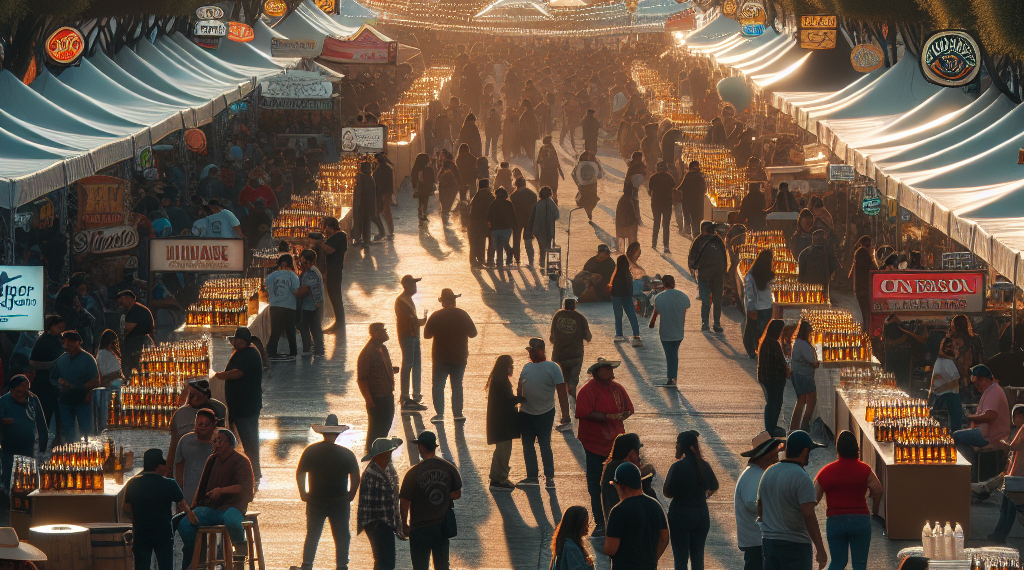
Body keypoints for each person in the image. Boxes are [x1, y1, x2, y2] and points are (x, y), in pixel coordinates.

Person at [178, 429, 255, 569]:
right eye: (215, 441)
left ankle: (239, 551)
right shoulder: (212, 459)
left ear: (229, 444)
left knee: (231, 520)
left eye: (220, 440)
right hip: (212, 508)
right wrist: (192, 508)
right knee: (185, 524)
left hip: (233, 506)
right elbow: (202, 486)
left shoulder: (241, 461)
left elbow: (245, 488)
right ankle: (194, 557)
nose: (216, 444)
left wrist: (222, 491)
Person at [576, 358, 634, 537]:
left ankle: (619, 520)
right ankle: (601, 522)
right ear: (596, 372)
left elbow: (629, 409)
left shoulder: (617, 388)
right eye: (605, 369)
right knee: (596, 486)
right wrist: (608, 416)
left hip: (616, 444)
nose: (609, 371)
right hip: (594, 444)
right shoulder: (588, 390)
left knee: (620, 484)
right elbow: (583, 412)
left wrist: (621, 415)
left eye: (610, 368)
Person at [297, 414, 361, 570]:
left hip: (315, 500)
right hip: (339, 500)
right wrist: (350, 495)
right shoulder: (347, 454)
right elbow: (356, 476)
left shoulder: (311, 451)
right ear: (337, 434)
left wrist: (303, 493)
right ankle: (341, 564)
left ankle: (307, 564)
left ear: (323, 433)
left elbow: (300, 473)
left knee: (313, 534)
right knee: (342, 535)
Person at [758, 430, 828, 570]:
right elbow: (808, 514)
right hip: (795, 545)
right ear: (804, 452)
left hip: (769, 541)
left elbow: (760, 507)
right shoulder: (802, 478)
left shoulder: (768, 472)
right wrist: (820, 549)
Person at [814, 431, 883, 570]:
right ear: (856, 448)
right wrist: (874, 509)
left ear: (838, 449)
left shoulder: (826, 471)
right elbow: (878, 490)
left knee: (838, 563)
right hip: (860, 520)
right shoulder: (865, 469)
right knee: (859, 564)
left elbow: (814, 497)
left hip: (835, 520)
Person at [400, 430, 463, 570]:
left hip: (419, 528)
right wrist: (441, 496)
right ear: (434, 447)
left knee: (420, 566)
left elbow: (404, 501)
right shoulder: (449, 468)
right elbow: (457, 493)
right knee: (442, 566)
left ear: (421, 447)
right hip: (441, 526)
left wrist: (404, 524)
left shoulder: (414, 472)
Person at [123, 449, 195, 570]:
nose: (166, 468)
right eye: (164, 465)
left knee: (141, 566)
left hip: (141, 533)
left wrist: (137, 517)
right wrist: (191, 516)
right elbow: (183, 505)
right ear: (158, 466)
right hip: (163, 533)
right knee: (165, 565)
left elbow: (126, 509)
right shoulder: (170, 483)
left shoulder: (132, 483)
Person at [518, 338, 572, 487]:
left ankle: (549, 476)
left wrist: (565, 415)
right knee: (527, 445)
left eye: (536, 350)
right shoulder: (526, 367)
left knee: (544, 444)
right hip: (526, 413)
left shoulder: (553, 367)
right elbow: (519, 390)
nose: (533, 353)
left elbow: (562, 392)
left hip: (545, 414)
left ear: (543, 351)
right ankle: (532, 476)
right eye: (531, 351)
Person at [212, 327, 264, 483]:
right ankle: (252, 470)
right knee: (248, 440)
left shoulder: (248, 354)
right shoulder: (246, 352)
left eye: (234, 340)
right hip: (242, 405)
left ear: (241, 341)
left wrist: (220, 376)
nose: (233, 343)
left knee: (249, 441)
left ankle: (254, 471)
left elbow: (238, 372)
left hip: (245, 406)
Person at [663, 430, 719, 570]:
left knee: (681, 560)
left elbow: (667, 492)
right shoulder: (703, 465)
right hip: (701, 515)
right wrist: (705, 495)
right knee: (698, 559)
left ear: (681, 446)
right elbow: (714, 485)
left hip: (680, 515)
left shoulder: (677, 467)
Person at [423, 288, 477, 423]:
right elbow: (473, 333)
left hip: (440, 358)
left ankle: (440, 414)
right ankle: (458, 414)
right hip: (459, 357)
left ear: (442, 302)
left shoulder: (436, 315)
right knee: (457, 385)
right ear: (454, 301)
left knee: (438, 386)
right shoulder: (462, 314)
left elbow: (427, 335)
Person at [604, 462, 670, 569]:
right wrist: (652, 560)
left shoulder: (618, 511)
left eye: (615, 484)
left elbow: (610, 549)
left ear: (622, 486)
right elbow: (664, 538)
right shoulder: (655, 506)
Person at [735, 431, 785, 570]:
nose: (777, 455)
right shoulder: (753, 476)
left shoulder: (756, 473)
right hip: (756, 544)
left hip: (757, 543)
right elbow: (752, 504)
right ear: (765, 454)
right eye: (774, 451)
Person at [359, 436, 405, 570]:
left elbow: (393, 500)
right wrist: (396, 525)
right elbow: (385, 505)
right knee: (385, 563)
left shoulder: (386, 469)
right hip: (378, 524)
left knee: (384, 562)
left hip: (381, 523)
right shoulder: (373, 474)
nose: (390, 455)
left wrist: (397, 524)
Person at [953, 364, 1010, 465]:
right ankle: (972, 463)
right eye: (975, 383)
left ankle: (972, 466)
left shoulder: (994, 392)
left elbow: (990, 416)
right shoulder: (990, 391)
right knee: (960, 434)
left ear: (986, 379)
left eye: (979, 382)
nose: (976, 385)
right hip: (986, 433)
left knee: (956, 436)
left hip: (992, 436)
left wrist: (969, 417)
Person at [0, 376, 47, 494]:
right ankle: (8, 499)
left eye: (21, 392)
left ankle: (25, 501)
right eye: (15, 392)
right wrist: (2, 421)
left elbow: (41, 422)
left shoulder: (33, 400)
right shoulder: (4, 401)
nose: (18, 395)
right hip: (9, 446)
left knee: (26, 479)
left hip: (27, 446)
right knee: (9, 476)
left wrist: (43, 444)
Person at [167, 379, 226, 470]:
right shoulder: (180, 414)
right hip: (186, 464)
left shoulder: (218, 409)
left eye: (193, 395)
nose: (189, 398)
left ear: (205, 396)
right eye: (188, 394)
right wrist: (169, 469)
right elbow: (174, 445)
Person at [50, 330, 99, 442]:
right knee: (68, 433)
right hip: (65, 401)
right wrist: (60, 384)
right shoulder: (62, 359)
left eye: (70, 343)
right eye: (65, 344)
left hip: (83, 401)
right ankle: (71, 454)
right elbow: (53, 377)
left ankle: (87, 454)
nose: (67, 346)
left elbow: (95, 381)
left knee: (87, 433)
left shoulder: (88, 359)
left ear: (78, 342)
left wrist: (80, 388)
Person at [357, 323, 398, 455]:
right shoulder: (367, 353)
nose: (386, 332)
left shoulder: (382, 348)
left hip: (387, 395)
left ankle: (380, 452)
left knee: (385, 427)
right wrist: (369, 400)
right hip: (376, 398)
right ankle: (372, 453)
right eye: (382, 331)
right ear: (375, 334)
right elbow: (362, 379)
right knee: (375, 429)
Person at [486, 355, 524, 492]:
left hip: (500, 424)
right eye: (510, 365)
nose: (512, 368)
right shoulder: (502, 381)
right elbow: (508, 401)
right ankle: (499, 479)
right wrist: (521, 398)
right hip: (503, 424)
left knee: (501, 451)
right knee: (503, 452)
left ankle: (497, 476)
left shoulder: (499, 380)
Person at [600, 433, 657, 521]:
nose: (640, 458)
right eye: (638, 452)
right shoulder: (621, 469)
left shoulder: (612, 467)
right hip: (626, 526)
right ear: (632, 453)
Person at [988, 404, 1024, 542]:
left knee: (1008, 506)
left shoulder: (1023, 428)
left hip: (1017, 474)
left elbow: (1012, 446)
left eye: (1015, 417)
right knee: (1010, 506)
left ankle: (1000, 535)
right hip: (1018, 474)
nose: (1014, 420)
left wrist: (1002, 442)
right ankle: (999, 534)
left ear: (1020, 416)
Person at [649, 274, 690, 387]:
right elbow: (684, 311)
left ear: (662, 284)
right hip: (678, 330)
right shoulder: (683, 296)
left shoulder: (659, 297)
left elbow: (656, 312)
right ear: (674, 283)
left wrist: (652, 323)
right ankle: (673, 377)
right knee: (674, 354)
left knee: (669, 355)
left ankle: (671, 378)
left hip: (666, 331)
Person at [395, 275, 428, 413]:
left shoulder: (407, 299)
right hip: (407, 336)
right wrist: (421, 321)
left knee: (415, 364)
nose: (415, 287)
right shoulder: (401, 301)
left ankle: (415, 395)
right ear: (406, 286)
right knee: (408, 364)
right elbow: (409, 320)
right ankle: (406, 397)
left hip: (413, 335)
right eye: (413, 285)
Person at [688, 221, 728, 333]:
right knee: (707, 299)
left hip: (715, 274)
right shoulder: (701, 240)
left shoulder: (715, 240)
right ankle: (706, 322)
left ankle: (715, 323)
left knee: (715, 300)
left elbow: (692, 257)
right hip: (707, 274)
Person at [549, 298, 592, 399]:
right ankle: (572, 385)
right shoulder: (580, 318)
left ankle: (563, 392)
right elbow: (588, 337)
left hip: (559, 354)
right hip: (575, 354)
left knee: (562, 377)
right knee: (573, 376)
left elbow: (552, 336)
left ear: (564, 305)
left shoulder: (557, 315)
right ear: (575, 306)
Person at [173, 408, 216, 509]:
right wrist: (180, 498)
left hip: (213, 501)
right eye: (199, 424)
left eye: (205, 425)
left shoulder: (221, 443)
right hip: (188, 500)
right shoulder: (185, 441)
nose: (202, 428)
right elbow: (179, 468)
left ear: (214, 425)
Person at [30, 314, 66, 429]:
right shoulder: (43, 340)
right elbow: (33, 362)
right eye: (58, 327)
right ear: (51, 326)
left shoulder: (58, 339)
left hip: (57, 384)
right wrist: (53, 364)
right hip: (44, 384)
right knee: (45, 415)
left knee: (60, 414)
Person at [314, 216, 348, 332]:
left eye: (326, 228)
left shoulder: (339, 236)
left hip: (335, 270)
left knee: (335, 295)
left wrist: (321, 243)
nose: (325, 231)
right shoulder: (338, 236)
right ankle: (338, 321)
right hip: (332, 269)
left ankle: (339, 322)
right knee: (333, 295)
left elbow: (329, 250)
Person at [265, 254, 300, 362]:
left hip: (275, 306)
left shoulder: (271, 276)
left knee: (276, 330)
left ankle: (271, 352)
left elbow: (267, 288)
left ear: (282, 264)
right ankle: (292, 353)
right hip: (289, 306)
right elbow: (296, 291)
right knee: (290, 330)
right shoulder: (294, 276)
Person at [758, 320, 789, 436]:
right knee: (775, 402)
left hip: (766, 377)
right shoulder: (773, 344)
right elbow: (780, 362)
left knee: (771, 402)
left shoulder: (765, 342)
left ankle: (770, 427)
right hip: (774, 378)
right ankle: (771, 427)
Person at [743, 249, 775, 359]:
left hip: (759, 307)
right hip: (766, 307)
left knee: (754, 330)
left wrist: (751, 307)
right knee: (762, 331)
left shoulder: (751, 275)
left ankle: (755, 350)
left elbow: (749, 292)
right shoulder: (769, 276)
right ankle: (758, 351)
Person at [295, 249, 326, 357]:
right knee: (314, 327)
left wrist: (294, 292)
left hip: (311, 306)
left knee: (307, 327)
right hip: (313, 304)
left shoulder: (310, 274)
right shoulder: (314, 271)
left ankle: (313, 348)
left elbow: (305, 290)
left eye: (302, 261)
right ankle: (316, 348)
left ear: (306, 261)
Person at [790, 320, 819, 432]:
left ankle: (796, 426)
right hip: (803, 375)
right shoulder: (803, 344)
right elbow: (811, 359)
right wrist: (815, 363)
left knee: (801, 400)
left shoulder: (798, 342)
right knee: (810, 399)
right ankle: (804, 424)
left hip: (799, 373)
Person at [930, 337, 964, 434]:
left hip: (943, 396)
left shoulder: (940, 361)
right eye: (954, 347)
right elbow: (954, 382)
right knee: (954, 424)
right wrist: (939, 390)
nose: (956, 350)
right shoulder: (947, 362)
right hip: (949, 396)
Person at [117, 290, 154, 376]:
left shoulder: (135, 311)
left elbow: (126, 329)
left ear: (128, 298)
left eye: (121, 301)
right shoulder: (136, 310)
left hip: (137, 346)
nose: (120, 304)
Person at [797, 230, 840, 300]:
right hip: (824, 288)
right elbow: (835, 270)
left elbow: (801, 275)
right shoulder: (829, 253)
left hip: (807, 289)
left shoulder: (804, 253)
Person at [610, 254, 642, 346]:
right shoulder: (628, 275)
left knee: (618, 316)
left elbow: (613, 288)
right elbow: (630, 288)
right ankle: (636, 334)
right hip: (626, 297)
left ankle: (619, 334)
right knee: (632, 316)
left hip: (616, 297)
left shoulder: (616, 275)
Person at [550, 506, 595, 570]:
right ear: (577, 525)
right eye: (585, 523)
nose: (588, 527)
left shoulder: (562, 541)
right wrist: (589, 565)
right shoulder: (571, 547)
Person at [848, 236, 877, 328]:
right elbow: (875, 270)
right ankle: (867, 332)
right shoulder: (864, 253)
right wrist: (873, 257)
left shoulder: (858, 253)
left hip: (859, 289)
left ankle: (865, 329)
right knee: (867, 313)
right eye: (872, 245)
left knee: (863, 314)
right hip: (866, 289)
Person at [648, 162, 676, 252]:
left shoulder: (653, 177)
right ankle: (666, 246)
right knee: (666, 225)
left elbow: (649, 191)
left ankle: (654, 243)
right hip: (667, 204)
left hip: (656, 203)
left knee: (656, 223)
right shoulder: (670, 178)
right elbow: (674, 186)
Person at [487, 187, 518, 269]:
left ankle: (499, 262)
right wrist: (515, 226)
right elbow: (513, 217)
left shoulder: (493, 203)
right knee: (505, 243)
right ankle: (509, 255)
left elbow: (488, 216)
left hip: (495, 228)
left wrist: (489, 225)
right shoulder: (509, 204)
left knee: (497, 246)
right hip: (506, 228)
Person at [529, 186, 560, 264]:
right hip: (549, 229)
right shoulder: (551, 203)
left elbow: (532, 217)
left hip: (539, 230)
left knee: (541, 247)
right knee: (548, 246)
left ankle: (542, 262)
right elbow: (557, 216)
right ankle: (548, 263)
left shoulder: (537, 204)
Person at [676, 161, 706, 238]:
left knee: (687, 216)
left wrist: (676, 190)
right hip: (697, 202)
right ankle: (696, 234)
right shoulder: (701, 177)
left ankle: (687, 228)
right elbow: (704, 190)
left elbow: (681, 187)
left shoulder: (689, 175)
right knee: (695, 218)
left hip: (687, 201)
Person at [572, 151, 603, 222]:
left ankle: (588, 211)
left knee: (586, 199)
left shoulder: (579, 164)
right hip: (592, 185)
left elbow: (573, 174)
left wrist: (578, 183)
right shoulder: (594, 164)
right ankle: (589, 211)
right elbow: (600, 175)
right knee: (592, 199)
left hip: (583, 185)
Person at [372, 154, 395, 239]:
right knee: (387, 213)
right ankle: (389, 231)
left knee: (381, 213)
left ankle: (385, 232)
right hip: (387, 193)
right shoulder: (389, 169)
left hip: (380, 194)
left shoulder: (376, 172)